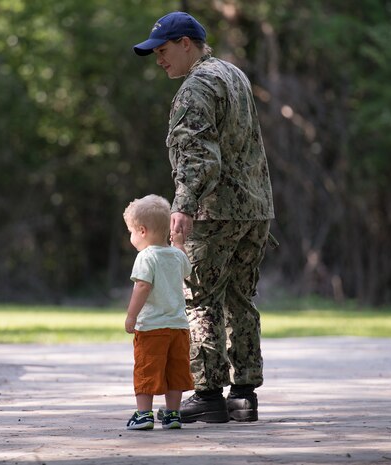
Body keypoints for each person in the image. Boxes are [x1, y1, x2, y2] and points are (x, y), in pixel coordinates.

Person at [133, 11, 275, 423]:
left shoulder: (195, 87)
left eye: (163, 50)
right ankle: (244, 394)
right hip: (255, 209)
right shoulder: (233, 74)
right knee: (241, 300)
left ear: (186, 44)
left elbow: (198, 155)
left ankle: (209, 394)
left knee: (200, 300)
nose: (159, 59)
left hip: (214, 213)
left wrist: (183, 205)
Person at [123, 194, 194, 430]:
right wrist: (180, 243)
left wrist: (131, 316)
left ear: (142, 231)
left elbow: (142, 286)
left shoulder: (146, 257)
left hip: (152, 327)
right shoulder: (176, 255)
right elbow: (186, 268)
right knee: (175, 371)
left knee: (147, 369)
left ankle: (144, 415)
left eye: (131, 232)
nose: (131, 237)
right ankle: (173, 414)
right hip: (179, 327)